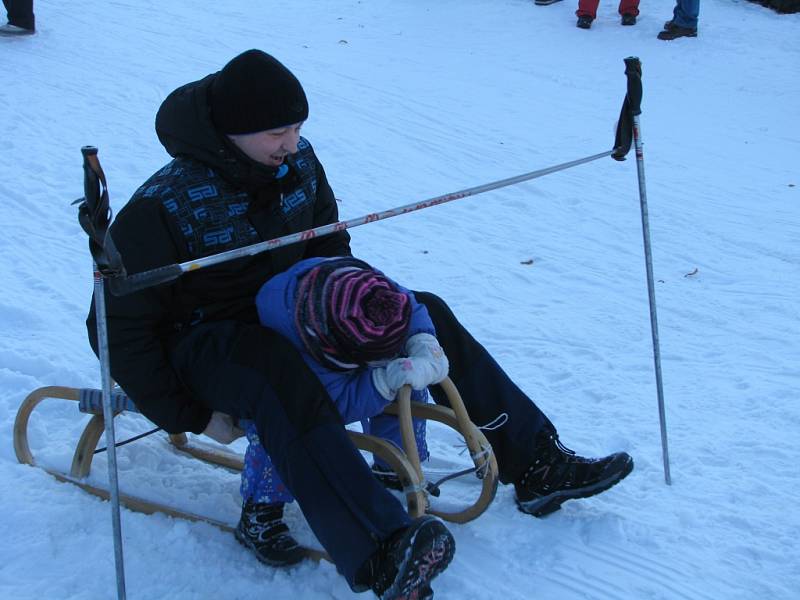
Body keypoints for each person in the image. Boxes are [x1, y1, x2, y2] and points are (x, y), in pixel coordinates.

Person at [86, 49, 634, 598]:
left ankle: (536, 462)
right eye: (279, 131)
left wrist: (360, 301)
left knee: (423, 311)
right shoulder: (164, 204)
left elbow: (330, 246)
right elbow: (114, 329)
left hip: (296, 309)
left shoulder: (297, 166)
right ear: (235, 129)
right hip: (205, 340)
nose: (292, 144)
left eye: (298, 127)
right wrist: (193, 415)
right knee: (274, 372)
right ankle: (381, 547)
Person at [239, 255, 442, 567]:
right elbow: (330, 407)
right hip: (289, 380)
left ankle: (392, 467)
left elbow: (408, 305)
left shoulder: (366, 286)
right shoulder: (289, 330)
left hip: (344, 346)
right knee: (282, 422)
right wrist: (380, 381)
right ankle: (260, 512)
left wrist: (422, 344)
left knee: (408, 379)